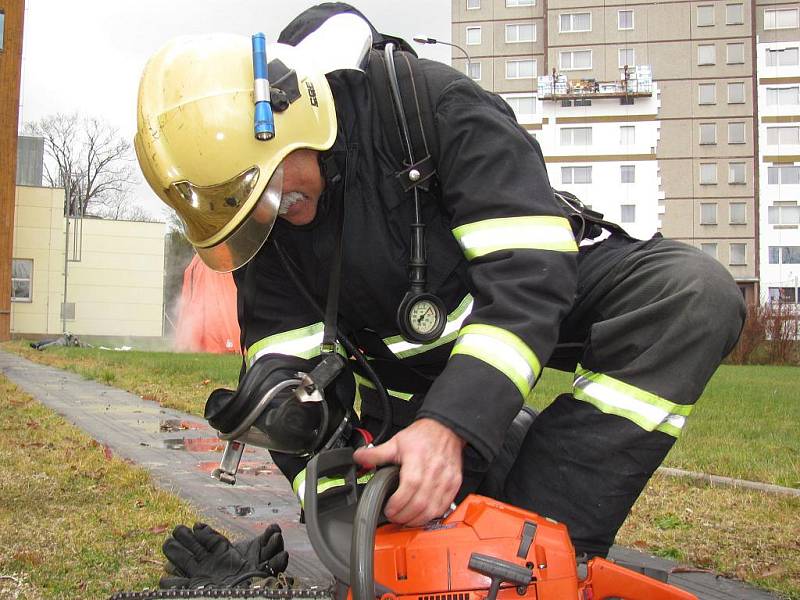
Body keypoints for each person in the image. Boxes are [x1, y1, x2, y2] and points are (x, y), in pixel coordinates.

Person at [136, 3, 746, 560]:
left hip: (533, 297)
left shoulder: (433, 106)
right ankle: (496, 447)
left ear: (295, 120)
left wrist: (452, 424)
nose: (274, 209)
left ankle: (541, 540)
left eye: (271, 187)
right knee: (400, 530)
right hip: (410, 381)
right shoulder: (266, 224)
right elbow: (285, 381)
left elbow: (527, 278)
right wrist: (348, 515)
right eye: (249, 206)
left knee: (693, 296)